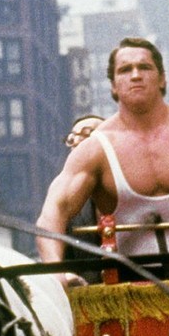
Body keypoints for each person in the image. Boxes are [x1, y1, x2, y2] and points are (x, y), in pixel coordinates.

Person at [37, 37, 169, 284]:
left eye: (144, 67)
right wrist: (56, 273)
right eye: (125, 70)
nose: (135, 75)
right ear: (113, 86)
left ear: (162, 78)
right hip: (127, 285)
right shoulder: (95, 149)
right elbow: (52, 214)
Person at [64, 114, 105, 285]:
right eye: (72, 138)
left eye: (86, 133)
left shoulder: (135, 184)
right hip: (88, 293)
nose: (76, 141)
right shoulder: (67, 201)